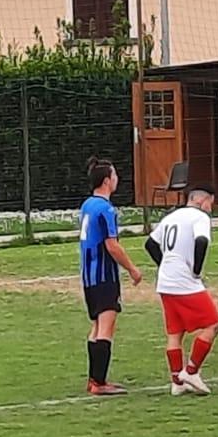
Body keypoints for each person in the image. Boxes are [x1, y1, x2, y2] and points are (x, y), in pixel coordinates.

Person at [78, 157, 144, 396]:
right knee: (106, 326)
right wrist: (133, 269)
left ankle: (93, 379)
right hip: (105, 276)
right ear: (107, 181)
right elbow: (112, 246)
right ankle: (99, 382)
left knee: (96, 327)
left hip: (88, 277)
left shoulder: (87, 205)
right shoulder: (106, 209)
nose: (117, 179)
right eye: (115, 175)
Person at [145, 186, 218, 397]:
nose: (210, 207)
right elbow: (202, 241)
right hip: (184, 282)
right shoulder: (199, 217)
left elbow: (150, 243)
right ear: (201, 200)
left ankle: (176, 381)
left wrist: (164, 265)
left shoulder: (172, 216)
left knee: (175, 333)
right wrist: (196, 270)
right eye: (210, 202)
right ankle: (191, 372)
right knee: (213, 325)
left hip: (166, 282)